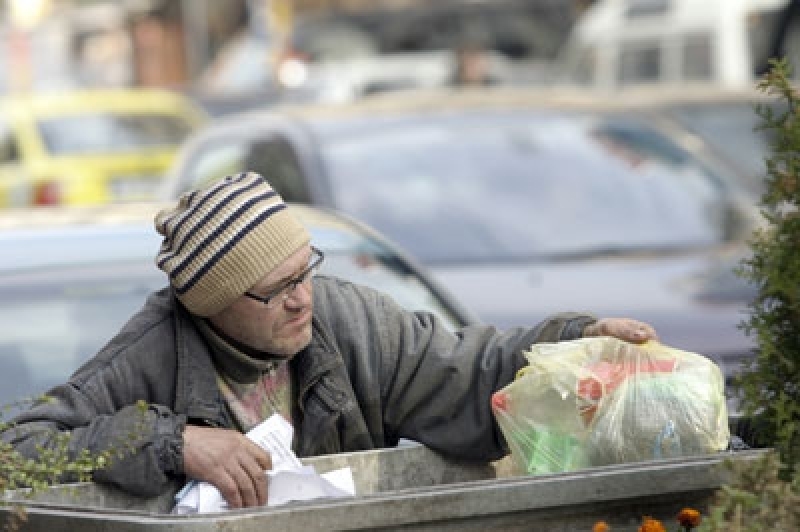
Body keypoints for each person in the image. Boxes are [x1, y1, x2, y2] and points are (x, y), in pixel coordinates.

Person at [1, 172, 658, 509]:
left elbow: (465, 371)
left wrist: (573, 340)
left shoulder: (350, 324)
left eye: (304, 271)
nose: (302, 298)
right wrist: (172, 442)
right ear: (213, 305)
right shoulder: (146, 357)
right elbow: (16, 453)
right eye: (275, 289)